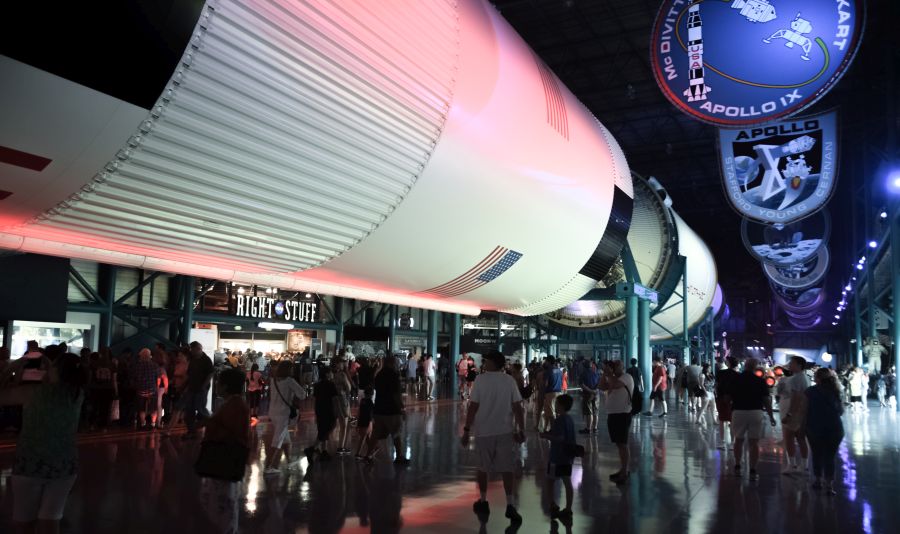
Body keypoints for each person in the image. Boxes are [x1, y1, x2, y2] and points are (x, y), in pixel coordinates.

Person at [0, 353, 85, 534]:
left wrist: (14, 366)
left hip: (31, 465)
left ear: (57, 371)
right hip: (65, 466)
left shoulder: (32, 393)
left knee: (24, 521)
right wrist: (50, 363)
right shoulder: (77, 394)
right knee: (50, 520)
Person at [461, 350, 524, 524]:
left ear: (494, 363)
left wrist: (466, 430)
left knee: (483, 468)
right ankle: (510, 504)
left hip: (484, 432)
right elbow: (518, 407)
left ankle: (483, 501)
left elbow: (473, 406)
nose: (484, 363)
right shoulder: (509, 380)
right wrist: (521, 429)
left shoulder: (481, 380)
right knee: (507, 468)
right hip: (505, 431)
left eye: (487, 361)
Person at [197, 368, 250, 534]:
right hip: (224, 458)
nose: (217, 385)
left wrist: (210, 425)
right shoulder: (234, 403)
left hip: (224, 458)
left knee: (222, 501)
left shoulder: (235, 405)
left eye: (219, 382)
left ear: (226, 386)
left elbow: (230, 432)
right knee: (222, 500)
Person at [729, 358, 776, 481]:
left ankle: (738, 466)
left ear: (745, 366)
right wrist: (771, 416)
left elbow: (728, 397)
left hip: (738, 411)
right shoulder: (760, 381)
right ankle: (753, 470)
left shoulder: (735, 379)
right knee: (754, 443)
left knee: (738, 440)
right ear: (755, 367)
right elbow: (766, 400)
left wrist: (730, 410)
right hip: (756, 412)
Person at [805, 368, 844, 495]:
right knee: (830, 456)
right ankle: (829, 485)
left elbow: (804, 410)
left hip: (815, 427)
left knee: (816, 454)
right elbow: (841, 411)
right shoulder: (837, 390)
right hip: (835, 427)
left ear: (818, 378)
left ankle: (817, 480)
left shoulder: (810, 391)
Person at [540, 393, 576, 523]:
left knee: (550, 480)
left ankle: (552, 504)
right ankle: (568, 508)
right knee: (567, 482)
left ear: (561, 406)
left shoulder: (560, 420)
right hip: (567, 457)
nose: (555, 405)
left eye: (556, 403)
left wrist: (546, 436)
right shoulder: (569, 419)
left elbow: (559, 438)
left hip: (557, 457)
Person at [365, 356, 407, 464]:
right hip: (391, 410)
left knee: (375, 434)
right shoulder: (393, 375)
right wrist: (402, 408)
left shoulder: (379, 375)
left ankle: (368, 455)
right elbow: (396, 395)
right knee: (396, 433)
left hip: (379, 409)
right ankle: (399, 456)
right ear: (392, 363)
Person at [265, 360, 306, 474]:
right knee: (277, 440)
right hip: (283, 414)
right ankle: (269, 466)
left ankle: (289, 461)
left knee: (285, 438)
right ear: (289, 370)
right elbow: (302, 395)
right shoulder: (289, 381)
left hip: (273, 412)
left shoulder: (273, 380)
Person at [599, 360, 634, 484]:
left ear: (622, 366)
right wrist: (605, 373)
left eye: (616, 365)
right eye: (613, 366)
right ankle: (623, 469)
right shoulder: (611, 377)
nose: (614, 368)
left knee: (623, 444)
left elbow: (615, 385)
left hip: (622, 415)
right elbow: (602, 387)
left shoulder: (626, 377)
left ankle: (624, 471)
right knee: (619, 444)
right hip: (613, 415)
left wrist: (609, 374)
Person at [777, 356, 810, 474]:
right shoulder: (805, 378)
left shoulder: (795, 379)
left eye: (792, 363)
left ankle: (792, 465)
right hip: (801, 413)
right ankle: (804, 466)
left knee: (789, 438)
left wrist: (789, 414)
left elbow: (796, 397)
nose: (790, 365)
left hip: (793, 413)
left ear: (799, 365)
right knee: (801, 439)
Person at [182, 342, 214, 440]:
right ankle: (192, 431)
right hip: (192, 388)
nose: (191, 351)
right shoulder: (193, 359)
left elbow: (210, 374)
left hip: (200, 389)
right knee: (189, 410)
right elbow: (189, 374)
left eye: (193, 349)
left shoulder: (206, 360)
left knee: (200, 409)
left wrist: (203, 386)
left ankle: (212, 424)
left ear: (198, 349)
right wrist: (185, 386)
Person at [131, 348, 161, 430]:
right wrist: (156, 388)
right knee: (153, 408)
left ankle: (143, 424)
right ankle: (153, 424)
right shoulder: (155, 365)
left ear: (141, 356)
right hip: (152, 390)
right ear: (149, 356)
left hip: (141, 390)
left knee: (141, 409)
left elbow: (134, 378)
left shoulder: (137, 366)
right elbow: (158, 379)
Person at [88, 349, 117, 431]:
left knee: (94, 407)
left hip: (95, 388)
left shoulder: (94, 363)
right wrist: (116, 391)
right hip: (107, 389)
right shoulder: (112, 364)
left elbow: (90, 377)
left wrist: (88, 387)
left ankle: (92, 424)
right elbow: (114, 380)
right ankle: (103, 426)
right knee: (105, 408)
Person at [715, 356, 739, 450]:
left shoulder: (721, 373)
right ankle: (732, 442)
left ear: (728, 363)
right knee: (732, 421)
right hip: (733, 400)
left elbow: (716, 386)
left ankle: (722, 441)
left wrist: (717, 395)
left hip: (721, 398)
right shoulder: (738, 375)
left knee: (722, 420)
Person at [332, 361, 352, 455]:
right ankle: (341, 446)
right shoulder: (342, 375)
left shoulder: (331, 374)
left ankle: (324, 444)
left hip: (332, 400)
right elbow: (348, 387)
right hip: (342, 399)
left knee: (332, 423)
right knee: (344, 424)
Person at [542, 358, 563, 432]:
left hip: (550, 393)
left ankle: (553, 429)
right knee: (557, 412)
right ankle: (555, 428)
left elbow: (546, 383)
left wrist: (543, 393)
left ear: (548, 362)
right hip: (559, 392)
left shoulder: (548, 371)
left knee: (551, 413)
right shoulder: (559, 370)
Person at [354, 387, 375, 460]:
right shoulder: (370, 402)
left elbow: (359, 412)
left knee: (366, 437)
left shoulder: (362, 400)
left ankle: (371, 449)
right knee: (364, 437)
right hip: (367, 422)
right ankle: (358, 453)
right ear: (371, 394)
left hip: (362, 421)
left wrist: (357, 421)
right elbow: (372, 413)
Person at [579, 360, 600, 434]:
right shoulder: (596, 372)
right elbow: (599, 383)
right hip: (596, 394)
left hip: (587, 394)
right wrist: (595, 391)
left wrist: (591, 391)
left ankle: (588, 428)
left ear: (584, 366)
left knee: (589, 412)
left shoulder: (583, 374)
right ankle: (595, 428)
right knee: (596, 411)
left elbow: (582, 385)